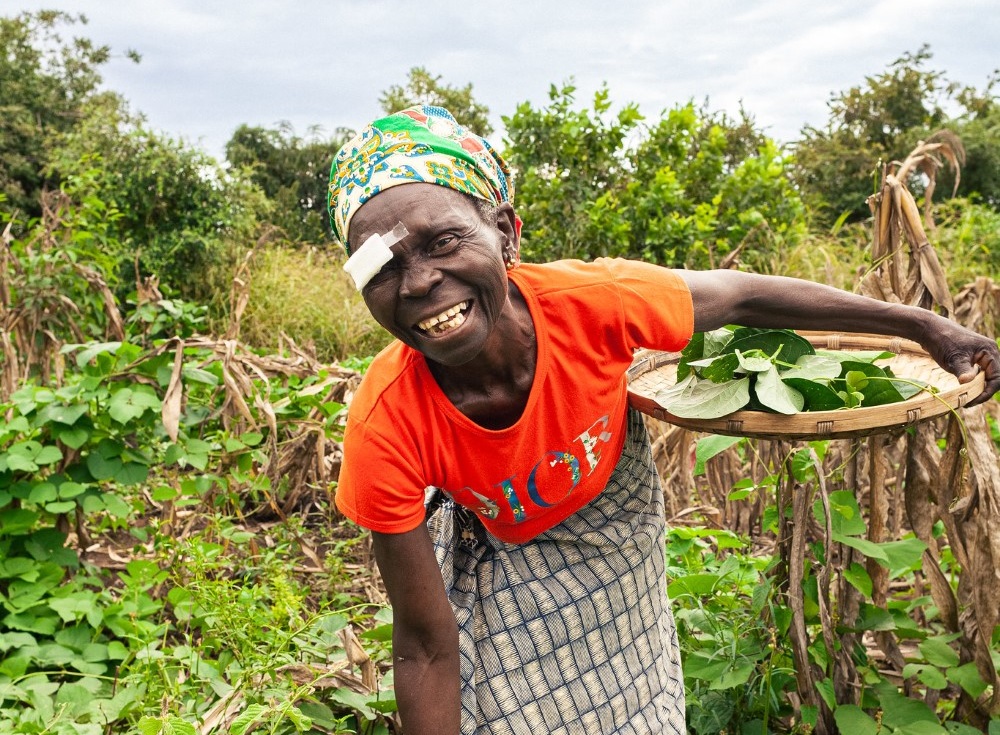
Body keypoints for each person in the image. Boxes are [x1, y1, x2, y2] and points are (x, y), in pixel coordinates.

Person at [329, 105, 1000, 735]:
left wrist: (921, 325)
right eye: (381, 267)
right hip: (501, 549)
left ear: (505, 233)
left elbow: (742, 296)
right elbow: (423, 643)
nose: (417, 282)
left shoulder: (594, 305)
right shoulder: (386, 422)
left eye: (444, 240)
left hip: (618, 547)